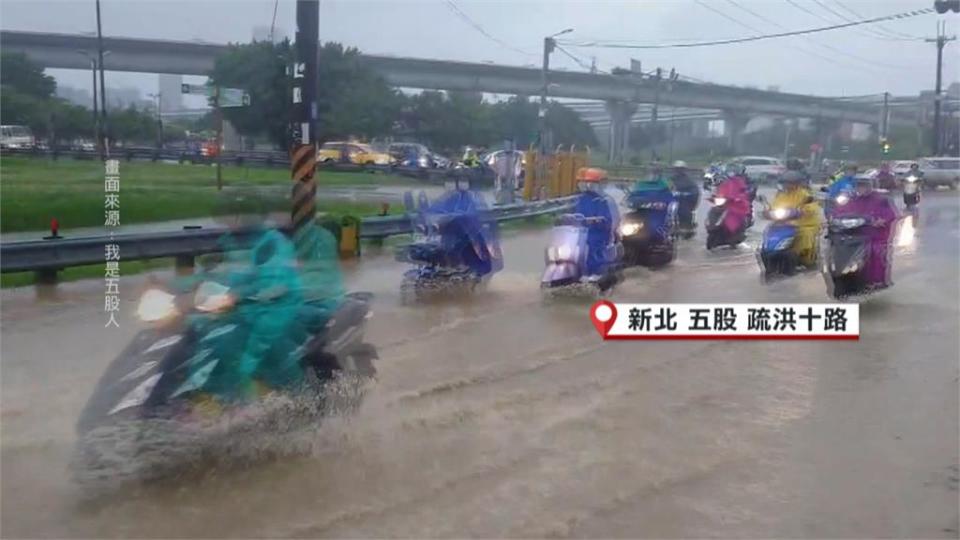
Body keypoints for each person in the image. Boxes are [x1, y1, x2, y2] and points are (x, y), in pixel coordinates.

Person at [830, 176, 899, 290]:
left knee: (876, 254)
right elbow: (838, 212)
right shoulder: (850, 199)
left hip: (875, 235)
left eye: (864, 186)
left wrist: (882, 220)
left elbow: (892, 214)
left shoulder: (881, 199)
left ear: (870, 186)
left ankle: (878, 282)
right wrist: (833, 220)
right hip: (855, 233)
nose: (861, 188)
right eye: (859, 186)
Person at [573, 167, 620, 280]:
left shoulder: (605, 200)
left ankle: (595, 274)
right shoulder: (580, 199)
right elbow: (570, 212)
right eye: (585, 183)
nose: (588, 186)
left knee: (592, 247)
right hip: (579, 233)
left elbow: (612, 220)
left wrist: (599, 221)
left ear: (601, 184)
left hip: (598, 234)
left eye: (592, 183)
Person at [770, 171, 822, 268]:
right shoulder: (781, 195)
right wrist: (768, 212)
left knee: (804, 235)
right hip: (785, 222)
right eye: (785, 183)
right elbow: (774, 207)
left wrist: (801, 211)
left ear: (797, 183)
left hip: (805, 223)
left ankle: (804, 258)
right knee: (770, 230)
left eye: (790, 183)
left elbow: (811, 207)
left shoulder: (805, 194)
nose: (787, 185)